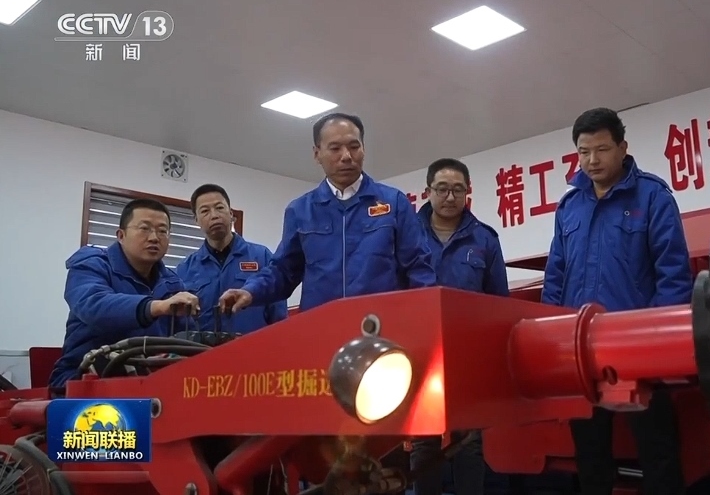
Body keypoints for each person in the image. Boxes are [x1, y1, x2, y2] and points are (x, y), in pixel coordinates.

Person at [542, 108, 692, 495]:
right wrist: (552, 340)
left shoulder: (653, 196)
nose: (592, 160)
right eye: (584, 152)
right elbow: (556, 275)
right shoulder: (569, 207)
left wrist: (660, 342)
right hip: (580, 351)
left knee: (657, 450)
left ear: (622, 148)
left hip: (639, 348)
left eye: (602, 149)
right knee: (590, 455)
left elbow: (673, 272)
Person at [218, 112, 436, 314]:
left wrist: (424, 315)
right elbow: (284, 271)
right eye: (335, 148)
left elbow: (418, 266)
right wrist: (251, 291)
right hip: (321, 327)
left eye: (354, 146)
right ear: (317, 154)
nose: (346, 156)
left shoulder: (394, 202)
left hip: (380, 324)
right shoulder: (300, 210)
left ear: (364, 149)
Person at [409, 158, 510, 495]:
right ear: (428, 191)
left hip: (469, 355)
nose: (450, 197)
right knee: (424, 442)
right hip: (419, 353)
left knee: (469, 442)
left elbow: (499, 301)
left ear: (468, 192)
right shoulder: (406, 235)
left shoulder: (485, 239)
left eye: (457, 190)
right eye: (442, 189)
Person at [49, 199, 200, 388]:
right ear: (121, 235)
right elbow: (93, 305)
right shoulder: (91, 266)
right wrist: (156, 307)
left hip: (151, 381)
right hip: (82, 379)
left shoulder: (172, 282)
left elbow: (187, 338)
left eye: (162, 231)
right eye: (144, 228)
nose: (154, 237)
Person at [176, 184, 289, 334]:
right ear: (196, 220)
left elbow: (279, 315)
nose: (214, 215)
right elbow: (180, 323)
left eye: (219, 208)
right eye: (205, 211)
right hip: (203, 348)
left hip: (254, 347)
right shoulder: (184, 269)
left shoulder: (262, 256)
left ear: (230, 214)